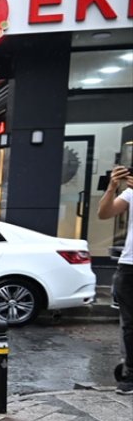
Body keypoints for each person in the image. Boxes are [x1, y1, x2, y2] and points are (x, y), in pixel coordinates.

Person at [97, 164, 132, 395]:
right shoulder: (130, 192)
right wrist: (111, 187)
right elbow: (104, 213)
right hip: (130, 266)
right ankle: (130, 372)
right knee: (130, 324)